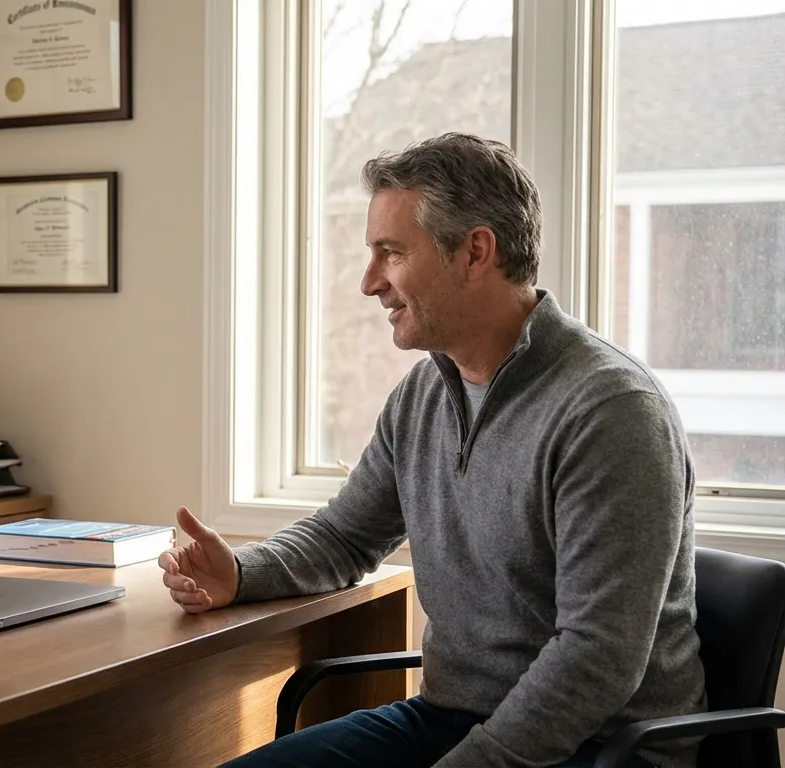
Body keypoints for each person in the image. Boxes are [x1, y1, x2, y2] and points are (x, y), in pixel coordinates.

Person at [160, 133, 706, 768]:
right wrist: (244, 574)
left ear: (475, 251)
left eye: (390, 254)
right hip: (450, 719)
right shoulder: (424, 392)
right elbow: (344, 537)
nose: (369, 283)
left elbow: (597, 655)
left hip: (601, 746)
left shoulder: (611, 412)